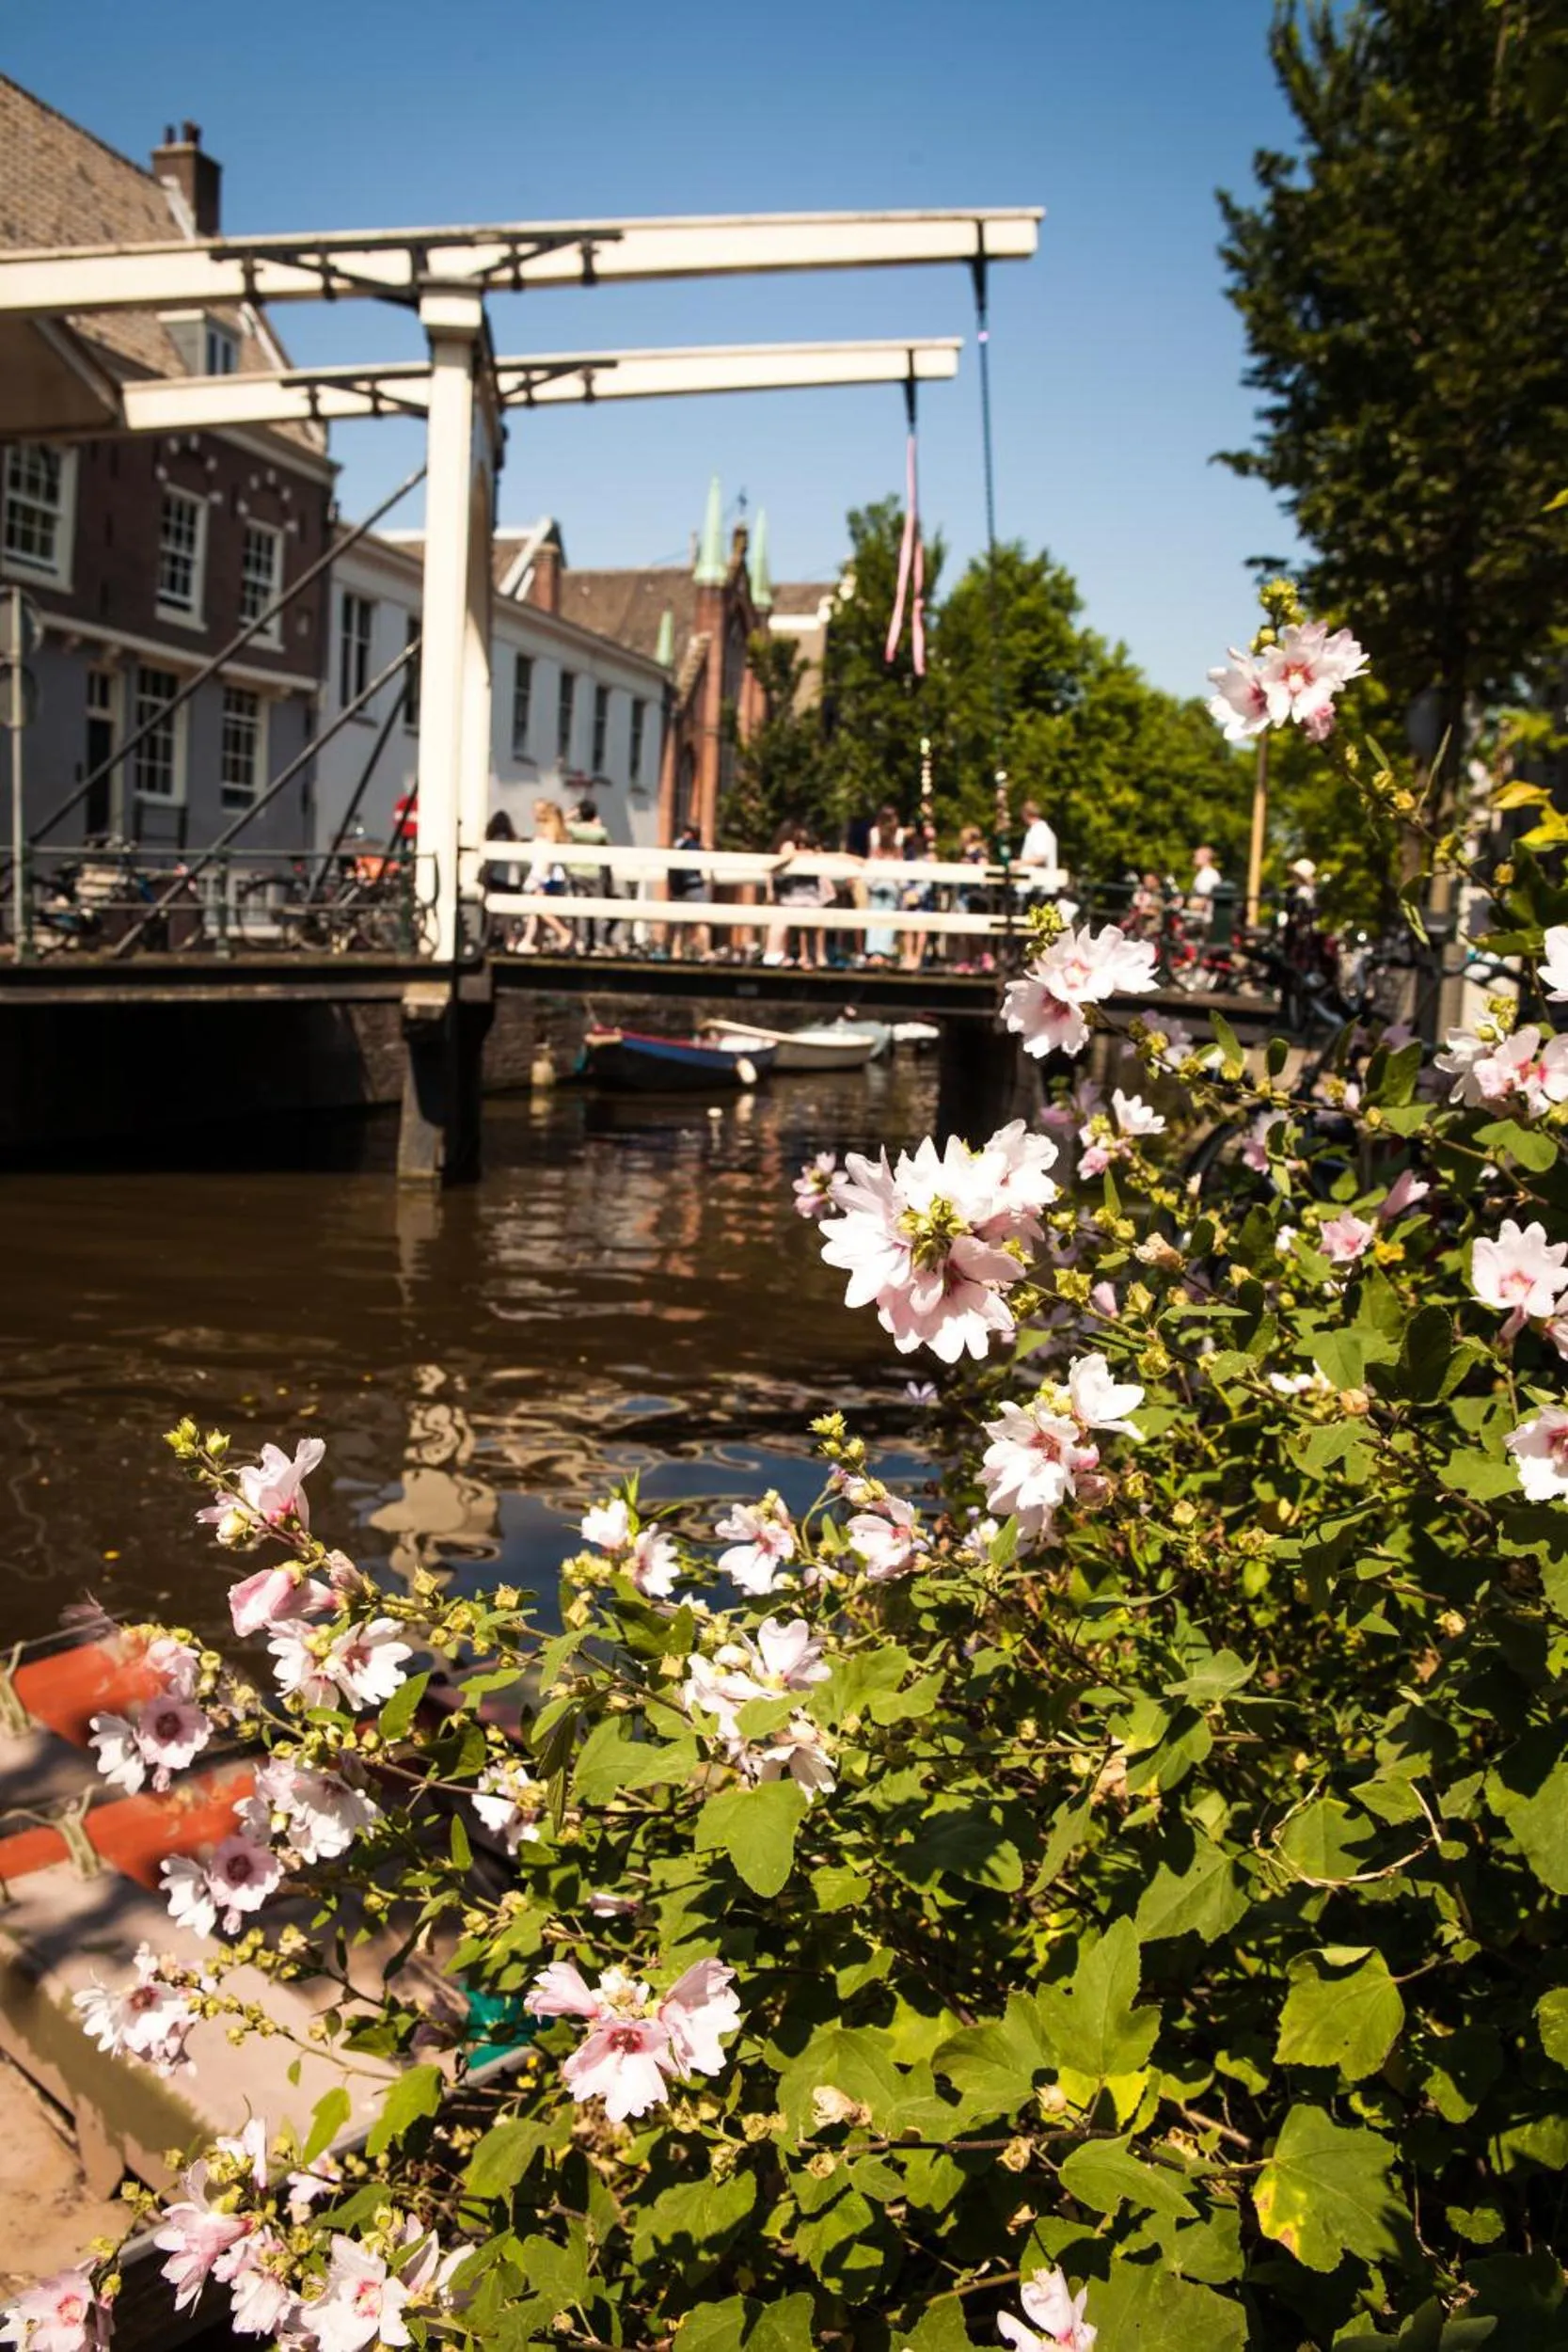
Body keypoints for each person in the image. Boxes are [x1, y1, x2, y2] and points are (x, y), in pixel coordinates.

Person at [519, 800, 575, 954]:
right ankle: (534, 941)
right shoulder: (558, 830)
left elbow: (546, 857)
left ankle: (564, 933)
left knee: (540, 908)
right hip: (552, 876)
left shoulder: (549, 832)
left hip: (545, 877)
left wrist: (540, 878)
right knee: (538, 911)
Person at [566, 795, 613, 953]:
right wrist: (597, 825)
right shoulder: (599, 832)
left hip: (576, 872)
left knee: (580, 909)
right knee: (598, 908)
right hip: (594, 873)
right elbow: (609, 846)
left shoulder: (573, 829)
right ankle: (599, 942)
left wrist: (571, 815)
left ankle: (581, 940)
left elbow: (561, 824)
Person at [668, 821, 708, 961]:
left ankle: (676, 951)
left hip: (679, 890)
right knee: (702, 920)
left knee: (680, 924)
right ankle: (705, 951)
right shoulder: (695, 846)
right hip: (694, 886)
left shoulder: (677, 846)